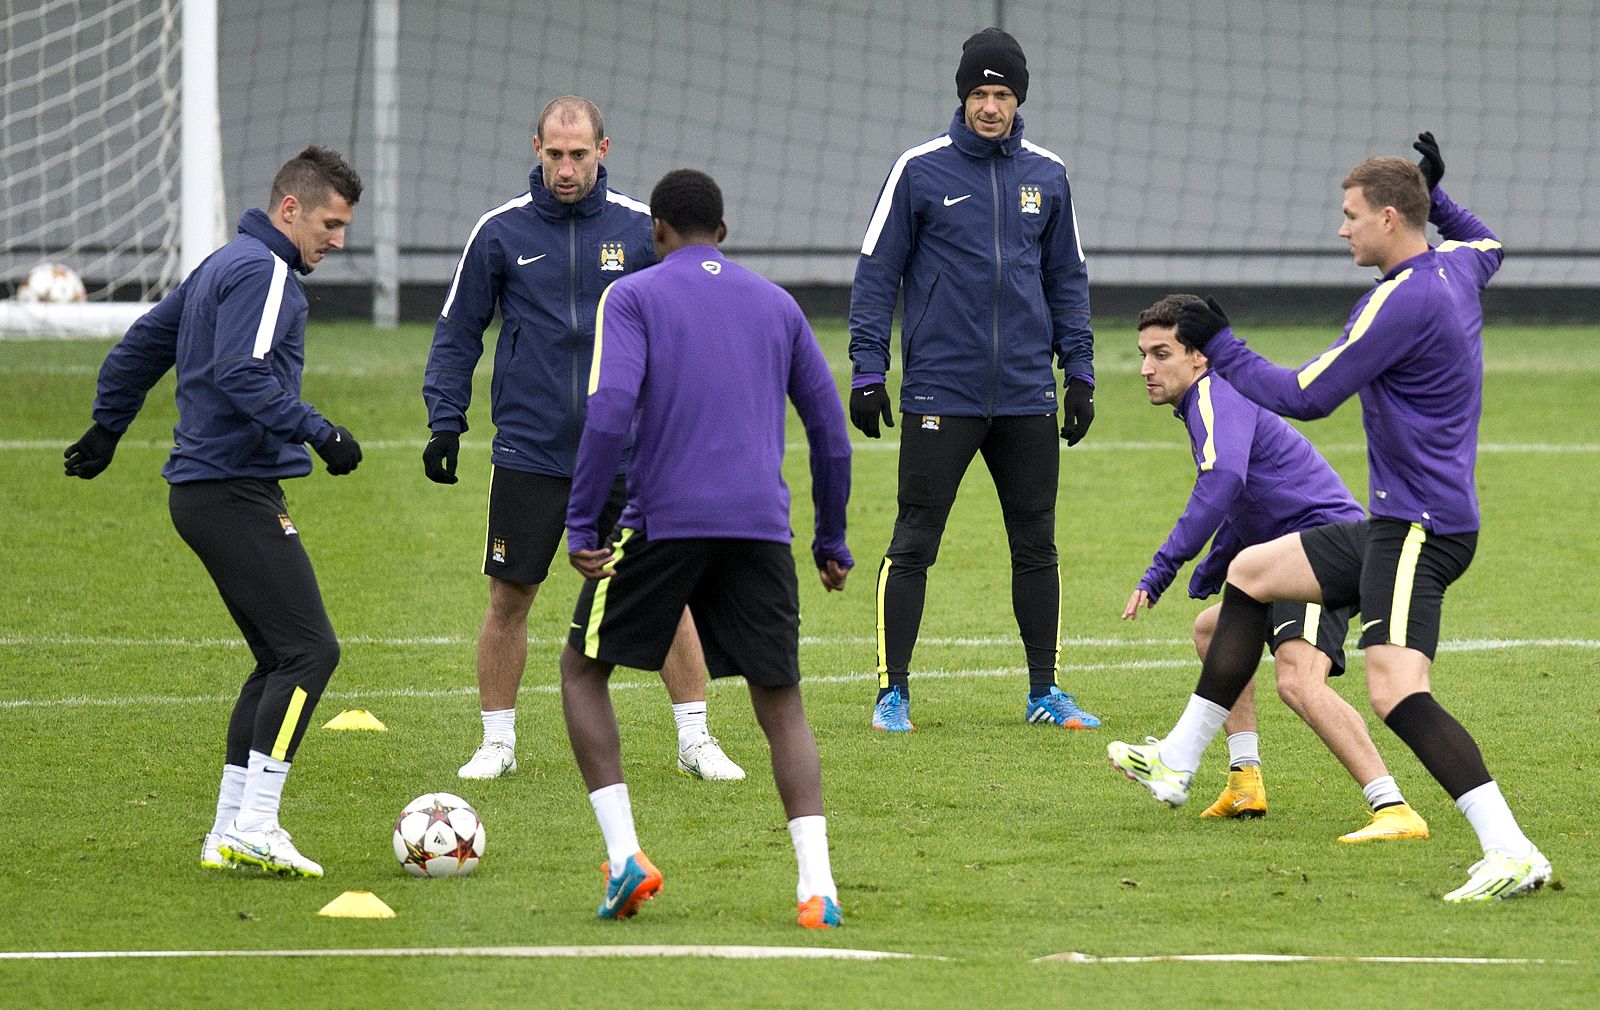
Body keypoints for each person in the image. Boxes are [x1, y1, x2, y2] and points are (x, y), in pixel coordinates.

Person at [1108, 134, 1551, 901]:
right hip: (1396, 523)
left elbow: (1306, 394)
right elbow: (1489, 239)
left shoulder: (1399, 298)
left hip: (1420, 529)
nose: (1341, 229)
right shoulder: (1460, 266)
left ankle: (1508, 846)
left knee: (1395, 692)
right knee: (1250, 572)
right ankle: (1181, 756)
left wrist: (1221, 343)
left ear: (1386, 218)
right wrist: (1434, 191)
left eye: (1349, 216)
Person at [560, 169, 853, 928]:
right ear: (722, 231)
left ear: (656, 230)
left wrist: (585, 526)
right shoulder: (778, 304)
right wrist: (831, 538)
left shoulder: (631, 296)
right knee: (780, 702)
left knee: (582, 669)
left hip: (663, 521)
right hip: (761, 528)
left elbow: (610, 407)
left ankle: (624, 857)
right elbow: (829, 430)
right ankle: (816, 887)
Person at [63, 146, 365, 878]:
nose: (338, 240)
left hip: (205, 493)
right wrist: (320, 431)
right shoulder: (265, 274)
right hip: (232, 490)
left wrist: (108, 427)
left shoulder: (221, 264)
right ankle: (257, 824)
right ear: (289, 208)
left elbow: (142, 344)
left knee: (276, 658)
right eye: (330, 222)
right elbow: (241, 374)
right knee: (310, 652)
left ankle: (230, 828)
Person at [421, 96, 742, 782]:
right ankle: (497, 743)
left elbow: (690, 325)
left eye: (579, 154)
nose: (565, 168)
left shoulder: (640, 230)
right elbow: (457, 332)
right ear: (536, 147)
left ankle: (696, 739)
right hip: (531, 451)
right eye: (554, 154)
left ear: (604, 149)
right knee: (509, 597)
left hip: (631, 452)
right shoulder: (499, 232)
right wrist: (445, 419)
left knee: (666, 590)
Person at [848, 28, 1098, 732]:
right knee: (915, 540)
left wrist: (1077, 372)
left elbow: (1066, 280)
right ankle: (892, 692)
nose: (991, 107)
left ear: (1020, 99)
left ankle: (1045, 693)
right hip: (941, 392)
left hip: (1025, 394)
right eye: (980, 93)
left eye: (1003, 94)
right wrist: (870, 369)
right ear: (962, 96)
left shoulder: (1048, 175)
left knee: (1036, 543)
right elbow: (877, 275)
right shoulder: (919, 170)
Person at [1123, 294, 1428, 842]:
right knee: (1212, 631)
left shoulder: (1216, 393)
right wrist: (1214, 567)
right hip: (1288, 555)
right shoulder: (1203, 403)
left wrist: (1163, 569)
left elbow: (1223, 485)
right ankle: (1245, 780)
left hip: (1319, 552)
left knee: (1298, 682)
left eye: (1161, 353)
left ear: (1199, 357)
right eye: (1142, 354)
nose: (1146, 368)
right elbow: (1253, 503)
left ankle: (1393, 806)